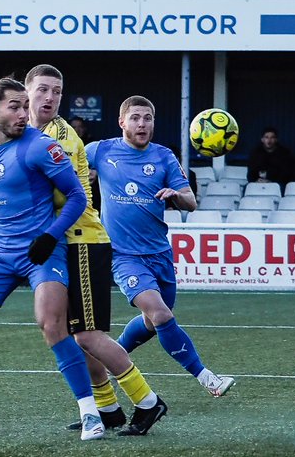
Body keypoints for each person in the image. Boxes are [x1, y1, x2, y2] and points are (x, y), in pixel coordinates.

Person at [0, 77, 105, 441]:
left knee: (51, 325)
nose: (24, 114)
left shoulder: (41, 146)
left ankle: (90, 412)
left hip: (42, 251)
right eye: (15, 106)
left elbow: (77, 196)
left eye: (25, 106)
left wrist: (50, 236)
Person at [23, 65, 166, 436]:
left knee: (89, 335)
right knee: (76, 335)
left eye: (57, 91)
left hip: (83, 240)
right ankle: (108, 409)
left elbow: (52, 194)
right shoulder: (27, 133)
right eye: (43, 90)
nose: (50, 97)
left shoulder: (61, 137)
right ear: (27, 92)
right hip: (64, 242)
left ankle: (148, 402)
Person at [87, 95, 236, 400]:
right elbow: (62, 165)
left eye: (148, 118)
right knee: (160, 314)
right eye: (135, 118)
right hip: (123, 256)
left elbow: (191, 202)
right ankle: (207, 378)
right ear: (122, 122)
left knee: (152, 322)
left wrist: (175, 195)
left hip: (159, 254)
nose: (142, 124)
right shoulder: (100, 150)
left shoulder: (164, 156)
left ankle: (110, 358)